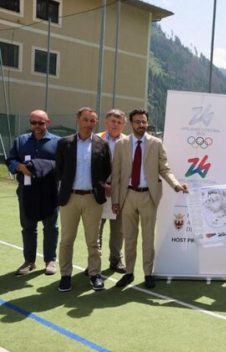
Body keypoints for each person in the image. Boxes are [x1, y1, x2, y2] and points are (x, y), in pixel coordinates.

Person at [111, 108, 188, 289]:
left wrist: (176, 185)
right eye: (137, 122)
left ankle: (148, 274)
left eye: (144, 122)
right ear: (131, 123)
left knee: (148, 237)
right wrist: (115, 200)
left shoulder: (156, 143)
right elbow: (116, 174)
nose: (141, 125)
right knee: (129, 237)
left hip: (149, 196)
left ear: (147, 123)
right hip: (127, 195)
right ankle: (129, 272)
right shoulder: (121, 144)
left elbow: (165, 169)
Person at [55, 107, 111, 292]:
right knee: (66, 240)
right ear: (77, 120)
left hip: (92, 199)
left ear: (96, 123)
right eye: (85, 119)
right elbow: (59, 169)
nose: (89, 124)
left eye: (92, 120)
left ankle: (95, 275)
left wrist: (101, 185)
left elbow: (107, 169)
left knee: (93, 241)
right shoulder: (65, 143)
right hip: (69, 198)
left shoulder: (101, 144)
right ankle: (65, 276)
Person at [6, 110, 60, 276]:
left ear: (48, 122)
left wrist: (42, 166)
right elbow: (10, 160)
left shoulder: (57, 142)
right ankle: (29, 261)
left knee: (50, 226)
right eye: (34, 123)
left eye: (41, 123)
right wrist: (20, 167)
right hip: (27, 191)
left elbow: (63, 164)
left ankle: (50, 260)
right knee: (28, 227)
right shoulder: (21, 141)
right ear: (30, 123)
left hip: (50, 191)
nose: (37, 126)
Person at [96, 109, 127, 274]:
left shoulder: (129, 142)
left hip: (119, 192)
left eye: (119, 122)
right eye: (112, 121)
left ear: (123, 125)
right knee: (95, 229)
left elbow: (130, 169)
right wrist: (102, 184)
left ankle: (116, 260)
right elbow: (89, 166)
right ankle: (94, 262)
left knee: (118, 230)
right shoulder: (95, 138)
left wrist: (115, 186)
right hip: (98, 190)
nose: (115, 124)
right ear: (106, 122)